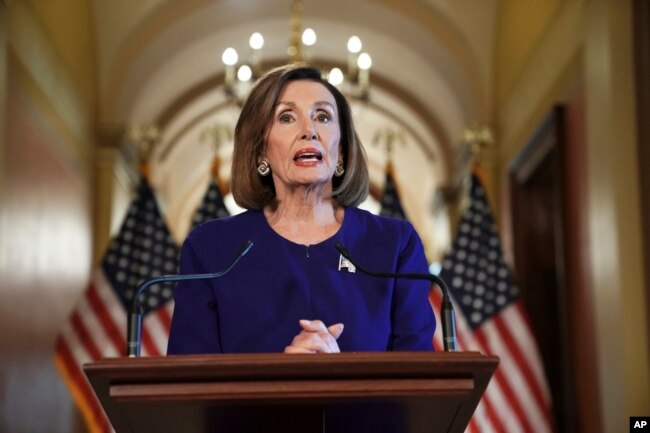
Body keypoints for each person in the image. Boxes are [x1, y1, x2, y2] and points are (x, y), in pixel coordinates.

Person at [167, 64, 435, 355]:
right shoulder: (211, 249)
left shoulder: (395, 245)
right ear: (260, 151)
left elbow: (420, 383)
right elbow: (189, 386)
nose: (309, 131)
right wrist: (282, 380)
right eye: (286, 117)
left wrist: (340, 377)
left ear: (342, 151)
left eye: (322, 116)